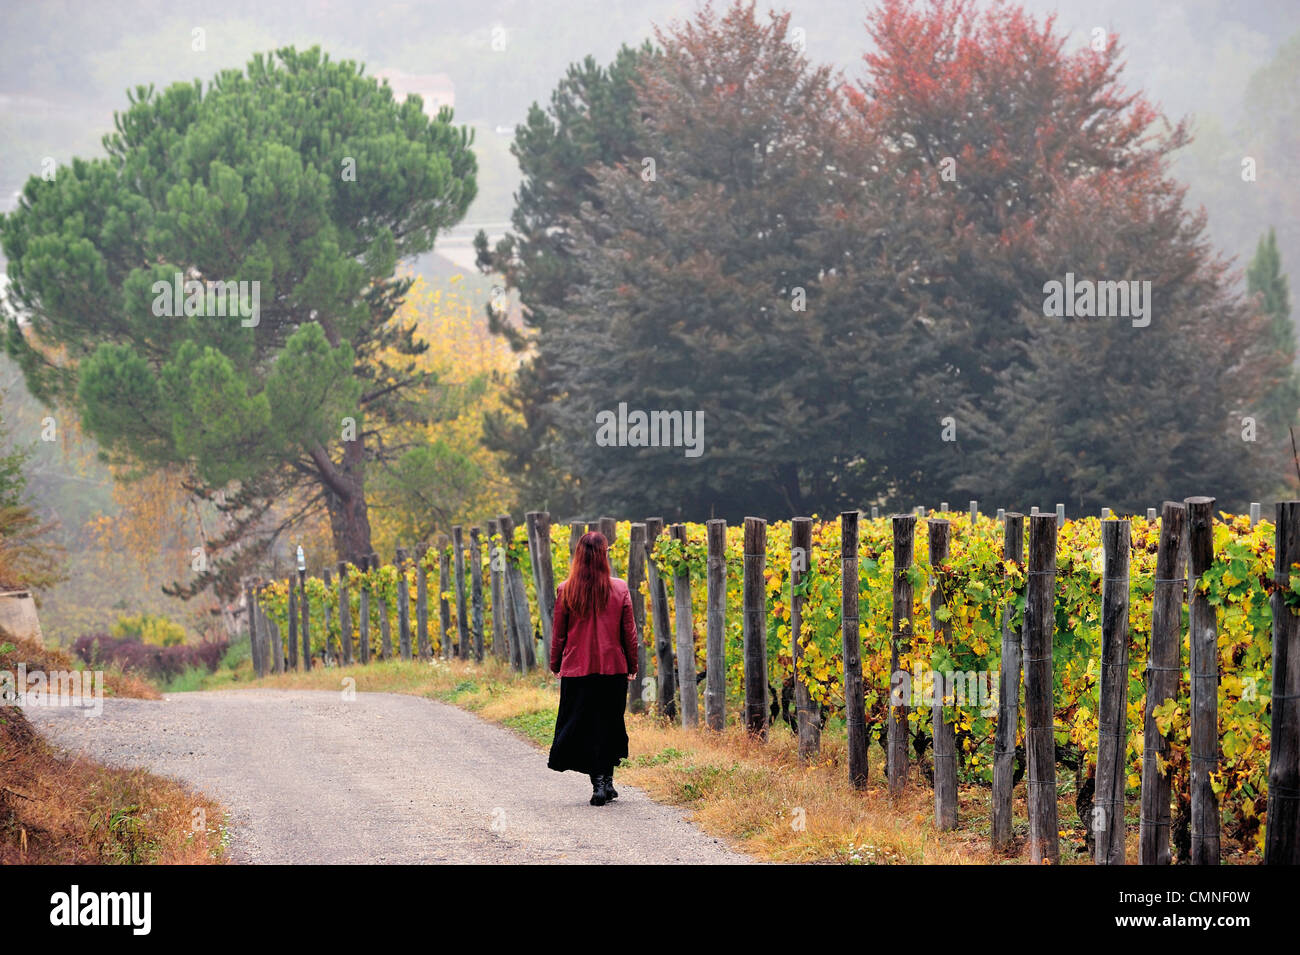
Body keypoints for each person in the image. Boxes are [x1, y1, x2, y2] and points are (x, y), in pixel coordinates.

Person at [547, 531, 638, 806]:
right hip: (613, 669)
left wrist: (555, 663)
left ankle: (600, 783)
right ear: (604, 556)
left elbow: (558, 634)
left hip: (578, 670)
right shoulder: (620, 588)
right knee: (609, 722)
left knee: (585, 725)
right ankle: (605, 782)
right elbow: (629, 633)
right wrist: (632, 665)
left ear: (579, 556)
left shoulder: (567, 589)